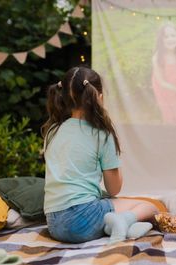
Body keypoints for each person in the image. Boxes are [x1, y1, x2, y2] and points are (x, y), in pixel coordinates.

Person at [42, 67, 158, 244]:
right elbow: (114, 189)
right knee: (149, 207)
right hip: (83, 219)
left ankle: (121, 226)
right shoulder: (101, 134)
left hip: (54, 224)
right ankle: (125, 222)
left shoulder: (52, 131)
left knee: (108, 207)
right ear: (99, 97)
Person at [151, 23, 176, 125]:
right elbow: (161, 82)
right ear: (161, 40)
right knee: (168, 113)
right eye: (166, 36)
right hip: (163, 88)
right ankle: (169, 130)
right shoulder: (157, 57)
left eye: (173, 35)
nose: (170, 39)